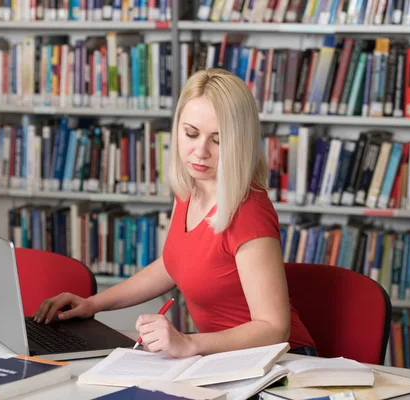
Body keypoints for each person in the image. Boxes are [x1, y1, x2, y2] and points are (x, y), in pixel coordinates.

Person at [33, 68, 317, 358]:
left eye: (217, 140)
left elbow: (274, 328)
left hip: (279, 364)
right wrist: (94, 304)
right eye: (191, 134)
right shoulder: (191, 186)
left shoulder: (249, 213)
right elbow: (174, 263)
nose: (200, 152)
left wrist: (189, 343)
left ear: (239, 142)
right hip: (221, 359)